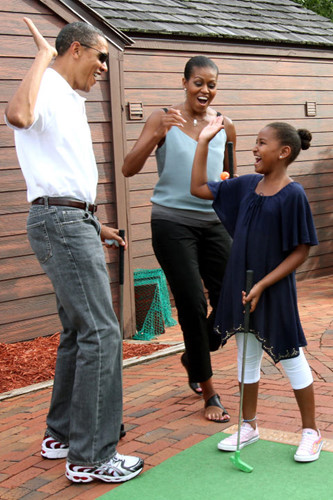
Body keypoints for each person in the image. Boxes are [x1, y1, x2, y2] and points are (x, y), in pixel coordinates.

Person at [5, 18, 144, 483]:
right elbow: (18, 117)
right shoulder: (44, 86)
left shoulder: (68, 99)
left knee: (77, 332)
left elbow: (58, 169)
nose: (105, 65)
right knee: (103, 334)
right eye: (101, 55)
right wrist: (43, 56)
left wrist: (92, 222)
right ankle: (92, 456)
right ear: (76, 50)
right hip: (61, 222)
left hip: (72, 219)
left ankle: (61, 434)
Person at [191, 118, 323, 462]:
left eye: (262, 143)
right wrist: (204, 142)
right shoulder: (248, 185)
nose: (254, 148)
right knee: (246, 358)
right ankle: (248, 426)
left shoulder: (293, 194)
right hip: (242, 288)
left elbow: (301, 250)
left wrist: (264, 283)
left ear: (283, 152)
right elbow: (198, 189)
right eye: (255, 142)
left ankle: (311, 432)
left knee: (292, 357)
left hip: (273, 290)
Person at [122, 56, 237, 422]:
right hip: (172, 223)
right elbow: (129, 167)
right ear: (184, 82)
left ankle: (194, 353)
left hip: (213, 223)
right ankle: (209, 392)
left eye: (211, 84)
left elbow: (228, 180)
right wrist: (156, 135)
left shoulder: (225, 126)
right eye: (198, 83)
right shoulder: (163, 119)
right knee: (190, 302)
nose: (205, 90)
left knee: (234, 301)